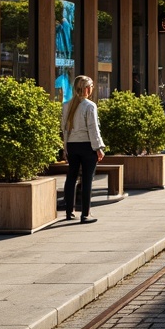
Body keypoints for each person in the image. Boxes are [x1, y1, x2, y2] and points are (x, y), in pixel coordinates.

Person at [61, 75, 104, 224]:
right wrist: (98, 147)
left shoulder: (66, 105)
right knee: (87, 180)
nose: (92, 89)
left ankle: (69, 212)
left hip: (72, 146)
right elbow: (93, 129)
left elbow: (64, 129)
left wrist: (65, 147)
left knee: (71, 177)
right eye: (91, 86)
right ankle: (85, 214)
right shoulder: (89, 106)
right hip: (87, 146)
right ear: (87, 88)